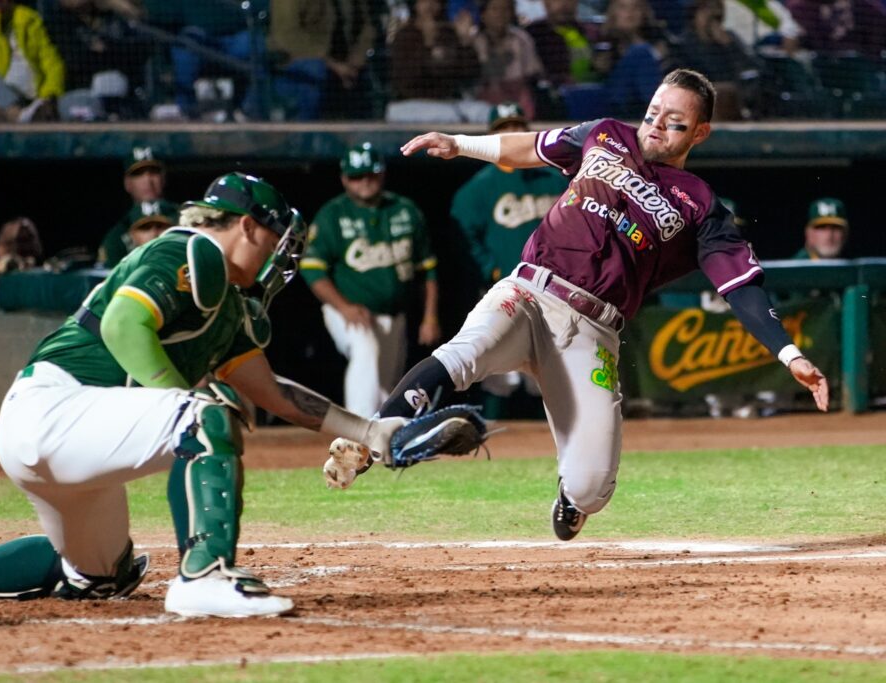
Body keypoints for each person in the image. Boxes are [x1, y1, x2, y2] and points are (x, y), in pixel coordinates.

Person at [329, 69, 830, 542]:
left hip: (592, 330)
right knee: (462, 353)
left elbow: (739, 285)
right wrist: (459, 144)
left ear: (700, 133)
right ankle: (373, 441)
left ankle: (571, 496)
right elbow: (532, 146)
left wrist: (790, 354)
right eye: (653, 112)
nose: (656, 127)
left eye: (675, 122)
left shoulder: (698, 203)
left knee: (592, 487)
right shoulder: (607, 134)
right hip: (529, 290)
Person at [0, 172, 410, 618]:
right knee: (205, 415)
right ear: (248, 226)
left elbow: (273, 393)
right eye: (275, 237)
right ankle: (204, 576)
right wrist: (185, 401)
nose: (281, 254)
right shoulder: (192, 248)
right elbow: (123, 325)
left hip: (68, 442)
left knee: (101, 577)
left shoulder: (228, 304)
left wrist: (367, 430)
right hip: (53, 407)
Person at [301, 142, 440, 417]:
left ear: (382, 174)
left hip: (393, 314)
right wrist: (344, 307)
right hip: (349, 310)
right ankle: (357, 432)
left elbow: (428, 269)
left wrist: (430, 316)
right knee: (365, 350)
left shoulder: (405, 210)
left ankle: (385, 438)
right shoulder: (333, 214)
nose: (364, 181)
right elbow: (312, 269)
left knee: (386, 387)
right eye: (356, 176)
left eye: (370, 174)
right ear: (343, 178)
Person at [451, 102, 568, 417]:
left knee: (552, 371)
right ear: (491, 136)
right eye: (504, 128)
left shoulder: (554, 179)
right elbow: (464, 239)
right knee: (500, 374)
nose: (513, 133)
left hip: (553, 290)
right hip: (506, 288)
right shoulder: (477, 189)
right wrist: (491, 267)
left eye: (517, 126)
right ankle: (489, 435)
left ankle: (555, 439)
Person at [97, 147, 180, 268]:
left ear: (163, 177)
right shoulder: (117, 235)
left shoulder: (185, 218)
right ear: (127, 183)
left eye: (154, 172)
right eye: (138, 174)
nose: (147, 180)